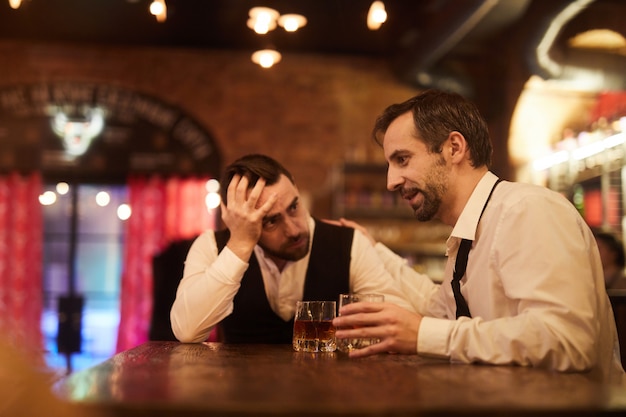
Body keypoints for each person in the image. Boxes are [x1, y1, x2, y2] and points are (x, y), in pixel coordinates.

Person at [331, 89, 624, 383]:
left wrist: (424, 335)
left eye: (403, 159)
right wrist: (373, 249)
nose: (391, 182)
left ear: (454, 148)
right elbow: (439, 310)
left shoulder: (526, 209)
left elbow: (567, 341)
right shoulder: (471, 231)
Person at [170, 154, 413, 343]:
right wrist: (240, 245)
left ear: (295, 187)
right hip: (239, 400)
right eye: (271, 221)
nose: (294, 229)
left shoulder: (348, 243)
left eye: (294, 206)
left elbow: (397, 320)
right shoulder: (213, 246)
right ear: (239, 219)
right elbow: (187, 330)